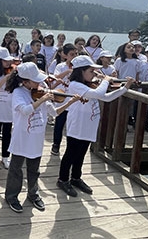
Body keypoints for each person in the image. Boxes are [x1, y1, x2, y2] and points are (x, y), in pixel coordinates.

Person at [4, 62, 80, 212]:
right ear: (25, 81)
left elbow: (55, 113)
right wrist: (43, 99)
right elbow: (25, 110)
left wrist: (70, 102)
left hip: (36, 138)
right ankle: (11, 196)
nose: (40, 83)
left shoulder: (40, 91)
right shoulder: (18, 93)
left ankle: (33, 194)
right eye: (35, 80)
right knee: (16, 169)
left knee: (34, 169)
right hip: (22, 137)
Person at [56, 55, 135, 197]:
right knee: (71, 153)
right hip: (78, 124)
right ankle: (62, 179)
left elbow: (106, 97)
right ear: (81, 71)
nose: (94, 74)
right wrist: (105, 80)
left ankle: (76, 178)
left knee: (81, 153)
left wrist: (125, 88)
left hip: (89, 124)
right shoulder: (75, 84)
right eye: (91, 71)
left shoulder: (88, 84)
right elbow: (98, 93)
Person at [50, 43, 79, 156]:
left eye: (76, 54)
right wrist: (67, 71)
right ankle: (56, 144)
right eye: (72, 54)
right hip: (62, 98)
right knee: (59, 123)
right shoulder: (60, 66)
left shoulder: (79, 68)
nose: (74, 56)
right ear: (65, 55)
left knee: (72, 125)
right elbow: (55, 78)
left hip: (73, 99)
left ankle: (70, 147)